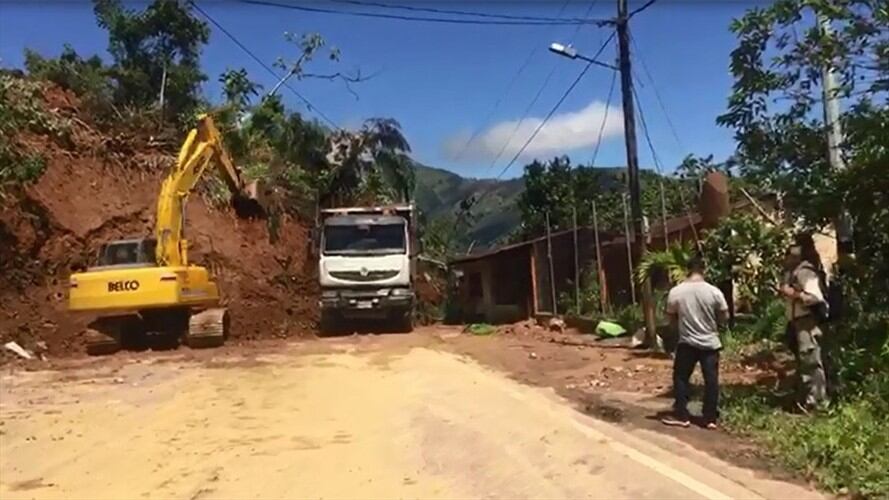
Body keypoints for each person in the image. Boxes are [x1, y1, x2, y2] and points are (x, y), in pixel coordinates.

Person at [661, 255, 729, 429]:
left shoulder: (676, 292)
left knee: (681, 377)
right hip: (710, 343)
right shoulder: (714, 291)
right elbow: (724, 316)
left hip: (687, 342)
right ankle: (710, 418)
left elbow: (670, 319)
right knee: (711, 380)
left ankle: (682, 415)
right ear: (703, 270)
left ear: (688, 270)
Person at [781, 235, 829, 410]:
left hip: (807, 322)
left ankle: (817, 402)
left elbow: (815, 298)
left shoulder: (805, 272)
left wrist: (793, 294)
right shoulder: (794, 271)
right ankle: (806, 399)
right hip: (797, 322)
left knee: (810, 361)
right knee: (804, 361)